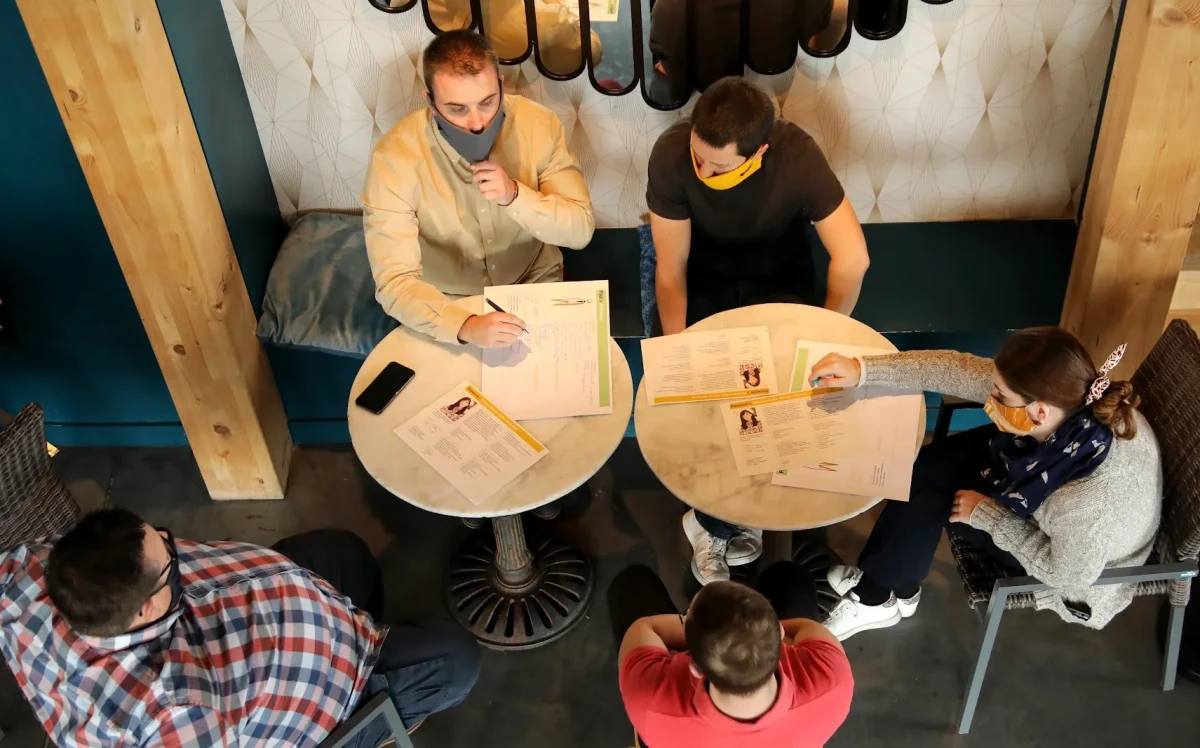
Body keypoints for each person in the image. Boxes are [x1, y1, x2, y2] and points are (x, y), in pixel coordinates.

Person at [0, 508, 480, 747]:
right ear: (143, 611)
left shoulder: (30, 573)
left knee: (345, 551)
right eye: (169, 562)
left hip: (291, 595)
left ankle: (365, 621)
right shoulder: (176, 715)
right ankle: (378, 675)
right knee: (456, 659)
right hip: (335, 688)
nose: (175, 545)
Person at [649, 76, 869, 584]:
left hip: (780, 281)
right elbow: (670, 269)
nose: (703, 171)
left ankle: (736, 513)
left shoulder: (797, 154)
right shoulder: (670, 155)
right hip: (704, 280)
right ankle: (710, 522)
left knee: (787, 399)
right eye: (698, 156)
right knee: (709, 405)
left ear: (759, 151)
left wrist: (827, 331)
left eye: (718, 165)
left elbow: (853, 258)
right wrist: (679, 354)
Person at [808, 327, 1162, 639]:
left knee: (936, 498)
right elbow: (955, 369)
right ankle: (893, 586)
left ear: (1039, 411)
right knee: (929, 464)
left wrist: (990, 516)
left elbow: (1067, 576)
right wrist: (863, 369)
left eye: (1000, 395)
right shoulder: (1072, 397)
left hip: (1069, 558)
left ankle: (874, 597)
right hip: (1034, 470)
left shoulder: (1086, 502)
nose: (989, 397)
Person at [362, 30, 594, 349]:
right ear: (430, 102)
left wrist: (515, 196)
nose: (476, 123)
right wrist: (465, 326)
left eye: (487, 102)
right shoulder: (394, 159)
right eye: (457, 109)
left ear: (500, 84)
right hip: (447, 303)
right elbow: (395, 282)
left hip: (533, 281)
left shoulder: (539, 125)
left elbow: (580, 231)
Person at [612, 562, 853, 747]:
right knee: (788, 575)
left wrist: (710, 637)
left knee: (631, 583)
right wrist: (746, 635)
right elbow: (804, 628)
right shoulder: (833, 681)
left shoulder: (651, 705)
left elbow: (645, 628)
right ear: (778, 631)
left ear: (695, 666)